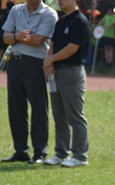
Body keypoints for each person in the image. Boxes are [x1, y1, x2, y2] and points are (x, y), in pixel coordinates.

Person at [1, 0, 58, 164]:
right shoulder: (16, 10)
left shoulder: (49, 13)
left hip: (35, 63)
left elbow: (38, 40)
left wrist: (16, 37)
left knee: (39, 108)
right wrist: (16, 36)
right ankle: (21, 151)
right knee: (16, 107)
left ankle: (40, 152)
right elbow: (5, 38)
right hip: (15, 62)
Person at [42, 0, 90, 168]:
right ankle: (62, 153)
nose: (60, 1)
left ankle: (80, 156)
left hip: (71, 72)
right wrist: (50, 63)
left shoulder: (80, 21)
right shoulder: (61, 21)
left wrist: (49, 60)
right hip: (57, 72)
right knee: (59, 116)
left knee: (75, 116)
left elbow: (72, 48)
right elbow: (52, 45)